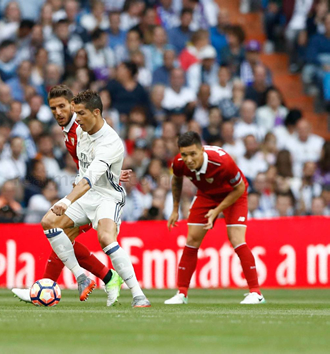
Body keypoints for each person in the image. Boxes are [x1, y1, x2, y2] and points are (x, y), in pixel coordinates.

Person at [12, 85, 128, 307]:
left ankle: (98, 278)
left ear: (72, 107)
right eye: (53, 108)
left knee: (60, 232)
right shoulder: (68, 134)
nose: (57, 112)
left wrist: (109, 173)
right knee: (61, 235)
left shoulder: (82, 130)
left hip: (98, 197)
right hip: (87, 191)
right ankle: (106, 277)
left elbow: (105, 152)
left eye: (62, 106)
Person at [40, 90, 150, 307]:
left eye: (80, 113)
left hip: (107, 197)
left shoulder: (110, 142)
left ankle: (138, 294)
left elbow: (89, 178)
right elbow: (86, 168)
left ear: (96, 112)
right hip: (86, 195)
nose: (76, 118)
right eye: (75, 113)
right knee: (49, 222)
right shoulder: (81, 131)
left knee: (106, 238)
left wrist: (66, 200)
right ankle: (82, 277)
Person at [165, 131, 266, 305]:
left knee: (236, 239)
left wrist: (217, 210)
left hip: (233, 194)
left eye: (193, 154)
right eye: (184, 154)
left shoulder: (223, 162)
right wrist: (175, 209)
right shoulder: (179, 163)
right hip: (206, 195)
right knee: (191, 240)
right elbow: (176, 180)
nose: (188, 159)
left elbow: (240, 188)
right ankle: (181, 293)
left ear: (202, 150)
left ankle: (256, 293)